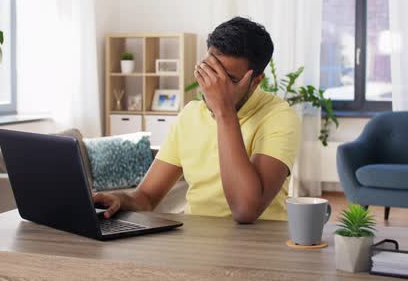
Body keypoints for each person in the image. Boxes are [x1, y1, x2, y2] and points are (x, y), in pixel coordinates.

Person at [94, 17, 301, 223]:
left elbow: (245, 210)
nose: (213, 86)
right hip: (196, 241)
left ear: (256, 81)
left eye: (229, 79)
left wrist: (224, 112)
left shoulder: (279, 117)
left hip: (258, 246)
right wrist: (119, 199)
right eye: (209, 70)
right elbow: (146, 197)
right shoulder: (190, 115)